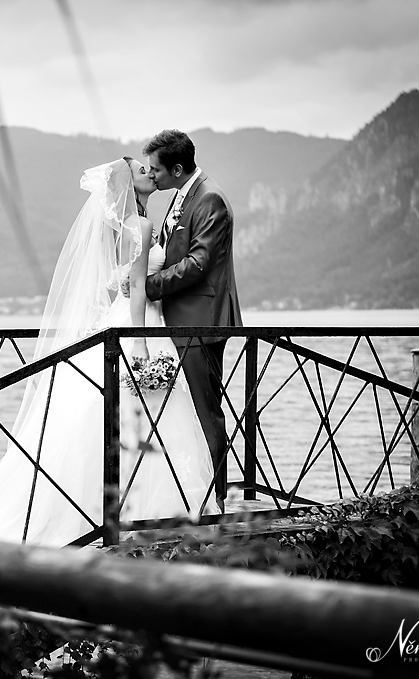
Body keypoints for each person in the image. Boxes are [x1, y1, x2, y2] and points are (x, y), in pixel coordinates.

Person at [0, 157, 217, 547]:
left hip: (118, 321)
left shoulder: (119, 227)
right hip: (138, 324)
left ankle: (108, 508)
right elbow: (138, 288)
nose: (150, 174)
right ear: (128, 186)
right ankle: (142, 509)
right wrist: (139, 342)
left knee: (112, 417)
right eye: (142, 171)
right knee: (140, 414)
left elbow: (119, 281)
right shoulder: (139, 226)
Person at [142, 130, 243, 512]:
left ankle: (215, 500)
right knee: (186, 412)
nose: (152, 176)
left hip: (201, 320)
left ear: (178, 168)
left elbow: (199, 263)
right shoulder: (185, 195)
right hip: (181, 320)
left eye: (156, 170)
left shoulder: (210, 198)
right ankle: (192, 493)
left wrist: (148, 287)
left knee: (205, 410)